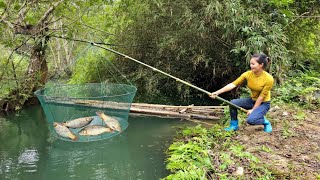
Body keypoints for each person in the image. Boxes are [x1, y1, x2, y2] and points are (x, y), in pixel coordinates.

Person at [210, 53, 274, 132]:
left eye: (253, 64)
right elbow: (233, 84)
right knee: (232, 103)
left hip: (263, 103)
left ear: (261, 65)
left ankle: (265, 122)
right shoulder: (247, 74)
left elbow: (261, 97)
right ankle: (234, 125)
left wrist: (253, 110)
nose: (251, 66)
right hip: (252, 100)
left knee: (251, 120)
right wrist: (217, 92)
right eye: (250, 63)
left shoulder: (269, 79)